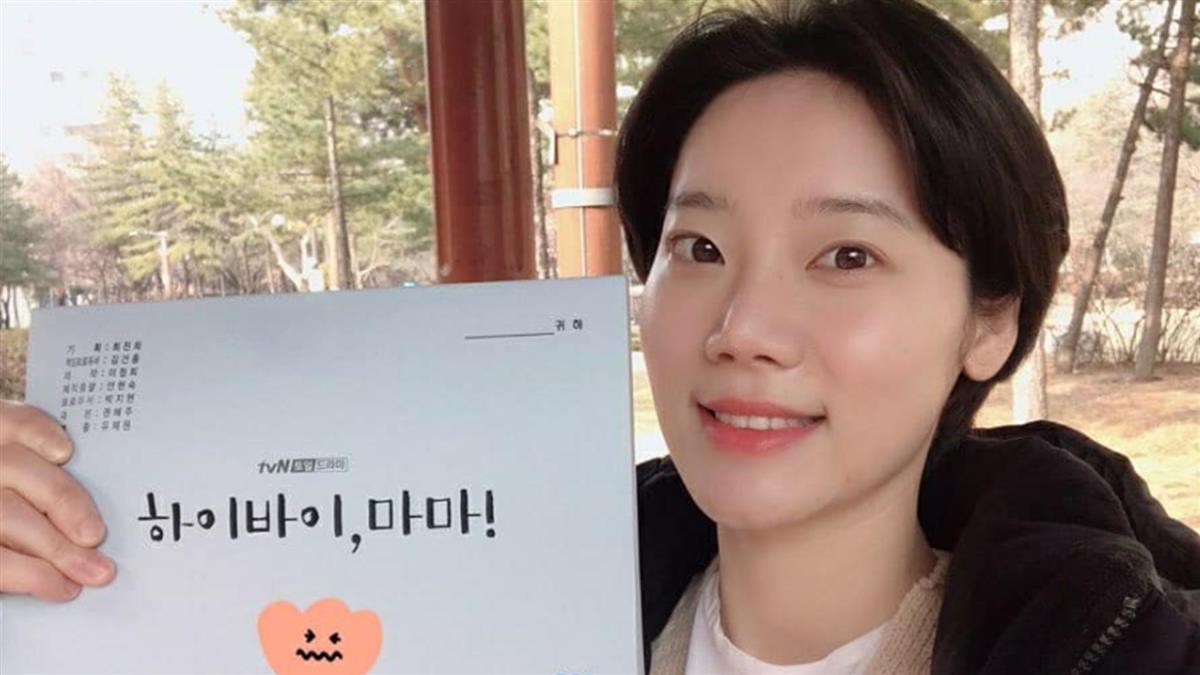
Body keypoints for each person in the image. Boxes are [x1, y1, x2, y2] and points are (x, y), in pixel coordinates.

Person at [0, 0, 1196, 673]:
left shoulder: (1119, 648)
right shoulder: (476, 604)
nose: (743, 328)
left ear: (990, 319)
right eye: (699, 247)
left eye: (846, 256)